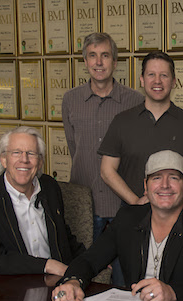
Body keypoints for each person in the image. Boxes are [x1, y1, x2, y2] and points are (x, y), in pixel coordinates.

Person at [52, 150, 183, 301]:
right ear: (145, 186)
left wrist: (172, 292)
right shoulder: (127, 219)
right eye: (156, 177)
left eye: (174, 177)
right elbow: (90, 260)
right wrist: (73, 281)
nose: (164, 185)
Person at [0, 127, 85, 275]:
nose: (24, 160)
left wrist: (92, 260)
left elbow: (63, 237)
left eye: (31, 153)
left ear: (40, 162)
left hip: (57, 281)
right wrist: (47, 265)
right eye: (16, 152)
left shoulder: (50, 187)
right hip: (10, 286)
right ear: (3, 159)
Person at [99, 51, 183, 207]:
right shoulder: (122, 121)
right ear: (142, 80)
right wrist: (136, 202)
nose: (157, 81)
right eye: (151, 74)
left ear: (173, 82)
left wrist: (173, 195)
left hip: (177, 213)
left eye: (164, 75)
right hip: (133, 211)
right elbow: (107, 170)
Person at [62, 32, 144, 244]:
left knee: (122, 273)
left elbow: (139, 152)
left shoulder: (135, 101)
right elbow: (74, 147)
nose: (98, 62)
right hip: (83, 202)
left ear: (115, 62)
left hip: (123, 203)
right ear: (85, 61)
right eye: (92, 55)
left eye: (105, 55)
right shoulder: (70, 100)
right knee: (83, 266)